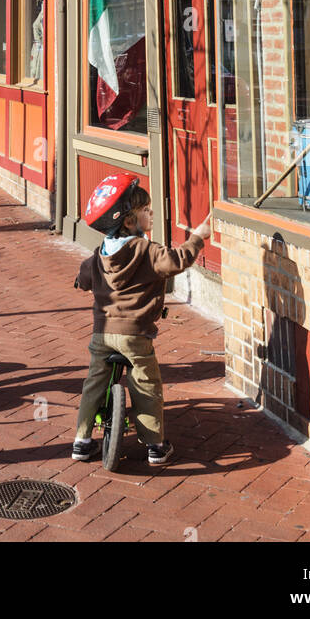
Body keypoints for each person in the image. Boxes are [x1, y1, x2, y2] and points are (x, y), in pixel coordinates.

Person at [72, 174, 212, 467]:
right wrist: (198, 237)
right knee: (146, 385)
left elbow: (83, 278)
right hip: (136, 335)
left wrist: (82, 282)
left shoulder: (98, 256)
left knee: (94, 382)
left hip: (102, 334)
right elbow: (176, 261)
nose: (151, 213)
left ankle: (82, 441)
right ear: (128, 221)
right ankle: (156, 447)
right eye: (146, 211)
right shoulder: (147, 251)